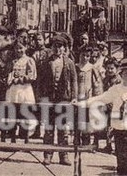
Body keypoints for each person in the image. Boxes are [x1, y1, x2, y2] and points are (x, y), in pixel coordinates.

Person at [84, 57, 127, 176]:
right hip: (120, 133)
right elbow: (102, 98)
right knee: (122, 165)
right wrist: (83, 103)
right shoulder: (116, 89)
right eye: (126, 73)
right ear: (121, 74)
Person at [37, 33, 78, 166]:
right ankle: (48, 155)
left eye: (60, 46)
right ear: (52, 47)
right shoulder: (46, 63)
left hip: (64, 99)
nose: (58, 49)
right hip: (49, 99)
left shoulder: (69, 63)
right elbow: (40, 81)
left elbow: (74, 81)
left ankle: (63, 155)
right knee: (49, 129)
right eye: (55, 46)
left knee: (63, 129)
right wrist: (40, 97)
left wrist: (74, 97)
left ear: (64, 48)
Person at [5, 38, 37, 143]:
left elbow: (32, 76)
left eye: (21, 48)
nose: (19, 50)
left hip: (24, 89)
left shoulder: (29, 60)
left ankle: (26, 139)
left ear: (26, 48)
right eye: (17, 48)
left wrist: (20, 79)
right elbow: (9, 73)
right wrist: (10, 79)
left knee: (25, 114)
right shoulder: (12, 61)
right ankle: (13, 138)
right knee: (13, 113)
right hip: (14, 90)